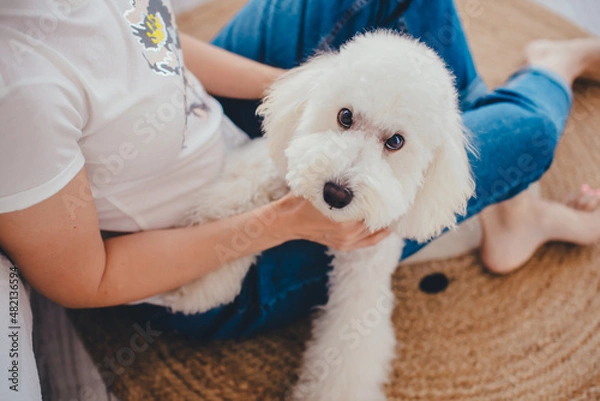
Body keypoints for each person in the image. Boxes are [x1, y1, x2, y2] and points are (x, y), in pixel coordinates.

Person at [0, 0, 599, 340]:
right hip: (212, 260)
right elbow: (84, 281)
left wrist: (318, 96)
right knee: (532, 134)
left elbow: (157, 50)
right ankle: (552, 67)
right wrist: (284, 221)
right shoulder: (17, 90)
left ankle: (508, 204)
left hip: (220, 118)